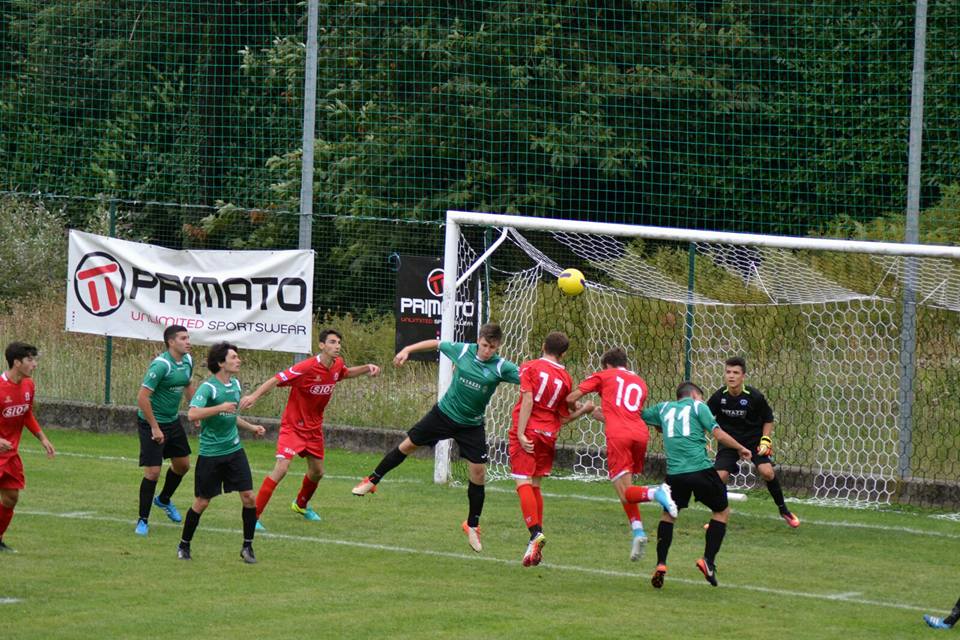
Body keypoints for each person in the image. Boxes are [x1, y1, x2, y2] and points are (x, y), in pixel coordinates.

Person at [352, 323, 520, 553]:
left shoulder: (502, 367)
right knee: (407, 445)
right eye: (484, 345)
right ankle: (371, 481)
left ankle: (472, 525)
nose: (487, 351)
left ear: (498, 346)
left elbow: (528, 379)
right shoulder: (462, 350)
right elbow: (435, 343)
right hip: (443, 415)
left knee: (479, 473)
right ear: (478, 340)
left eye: (492, 347)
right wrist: (407, 350)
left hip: (471, 426)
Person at [239, 328, 380, 529]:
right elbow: (277, 378)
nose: (337, 346)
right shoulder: (306, 367)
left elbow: (345, 373)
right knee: (281, 468)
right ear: (321, 345)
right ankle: (254, 517)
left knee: (317, 472)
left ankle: (301, 505)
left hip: (313, 429)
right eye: (332, 342)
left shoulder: (337, 365)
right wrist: (253, 396)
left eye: (338, 342)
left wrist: (367, 367)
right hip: (293, 427)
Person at [566, 347, 678, 562]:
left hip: (618, 437)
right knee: (626, 489)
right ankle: (638, 532)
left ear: (607, 365)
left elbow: (572, 397)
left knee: (626, 491)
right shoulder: (640, 382)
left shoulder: (604, 375)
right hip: (638, 434)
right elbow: (617, 415)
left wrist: (574, 408)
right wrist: (591, 410)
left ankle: (657, 493)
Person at [642, 381, 752, 588]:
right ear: (694, 395)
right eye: (701, 397)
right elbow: (717, 434)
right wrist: (740, 448)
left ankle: (661, 563)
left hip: (675, 474)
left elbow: (639, 416)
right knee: (721, 511)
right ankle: (708, 561)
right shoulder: (697, 406)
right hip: (700, 470)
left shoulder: (663, 408)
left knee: (669, 514)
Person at [509, 331, 595, 566]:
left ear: (543, 345)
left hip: (528, 432)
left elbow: (527, 400)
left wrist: (520, 432)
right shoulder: (566, 378)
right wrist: (584, 410)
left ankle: (535, 533)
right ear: (564, 353)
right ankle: (534, 542)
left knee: (522, 481)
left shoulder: (530, 366)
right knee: (535, 483)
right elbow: (563, 418)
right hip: (549, 434)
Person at [177, 342, 266, 563]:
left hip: (234, 451)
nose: (239, 360)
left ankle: (247, 547)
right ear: (220, 363)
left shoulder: (235, 385)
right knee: (202, 502)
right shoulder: (209, 388)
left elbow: (231, 416)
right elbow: (192, 415)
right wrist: (219, 408)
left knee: (249, 497)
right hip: (211, 454)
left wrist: (252, 427)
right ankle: (184, 545)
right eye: (234, 357)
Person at [707, 356, 799, 528]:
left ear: (743, 376)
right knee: (720, 477)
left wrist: (765, 440)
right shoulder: (719, 397)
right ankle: (718, 515)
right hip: (730, 443)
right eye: (728, 372)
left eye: (735, 373)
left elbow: (768, 418)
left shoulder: (754, 396)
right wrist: (702, 436)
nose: (731, 376)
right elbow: (705, 417)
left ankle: (783, 510)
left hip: (754, 441)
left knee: (767, 472)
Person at [135, 325, 197, 536]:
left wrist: (194, 410)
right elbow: (142, 398)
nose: (188, 341)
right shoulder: (161, 365)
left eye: (188, 337)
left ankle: (163, 500)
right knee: (153, 472)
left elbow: (188, 384)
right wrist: (154, 427)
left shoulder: (188, 360)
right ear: (171, 342)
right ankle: (142, 520)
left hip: (172, 421)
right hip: (151, 423)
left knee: (183, 466)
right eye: (183, 338)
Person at [0, 342, 56, 552]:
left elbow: (26, 414)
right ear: (17, 363)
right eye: (30, 360)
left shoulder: (28, 386)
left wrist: (42, 438)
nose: (35, 364)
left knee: (11, 497)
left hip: (11, 455)